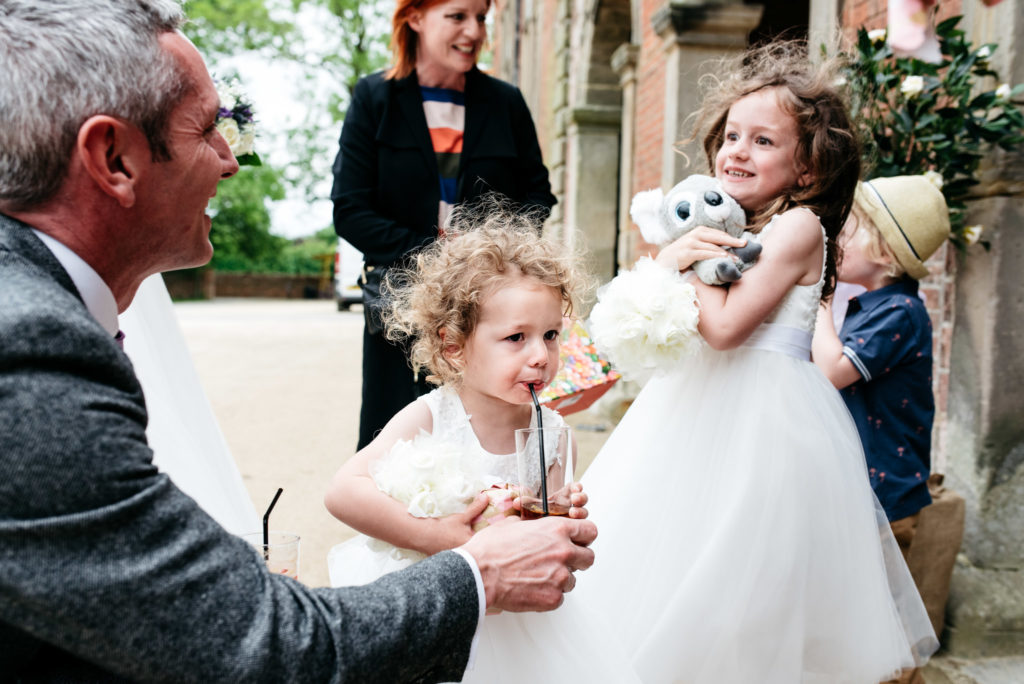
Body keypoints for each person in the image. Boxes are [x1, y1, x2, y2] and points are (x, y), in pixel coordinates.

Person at [0, 2, 597, 681]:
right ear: (113, 158)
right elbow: (255, 640)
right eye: (207, 129)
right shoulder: (31, 351)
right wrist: (478, 573)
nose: (231, 160)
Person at [577, 42, 938, 682]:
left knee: (738, 580)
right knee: (669, 551)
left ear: (807, 170)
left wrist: (681, 259)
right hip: (698, 411)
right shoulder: (742, 225)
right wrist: (679, 259)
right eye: (732, 136)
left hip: (763, 420)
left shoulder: (798, 228)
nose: (737, 152)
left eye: (763, 141)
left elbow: (722, 329)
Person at [324, 212, 638, 682]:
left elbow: (543, 535)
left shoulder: (554, 435)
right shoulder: (431, 417)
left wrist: (562, 520)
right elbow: (343, 492)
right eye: (516, 338)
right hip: (442, 605)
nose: (541, 356)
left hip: (517, 622)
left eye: (551, 335)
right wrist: (438, 536)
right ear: (454, 346)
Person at [330, 0, 557, 450]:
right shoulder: (374, 97)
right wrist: (440, 260)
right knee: (393, 453)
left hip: (491, 316)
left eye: (481, 18)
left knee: (484, 447)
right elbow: (350, 209)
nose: (473, 31)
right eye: (457, 16)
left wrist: (489, 260)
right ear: (415, 17)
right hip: (399, 311)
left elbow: (537, 199)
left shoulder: (506, 102)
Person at [812, 175, 951, 559]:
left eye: (849, 232)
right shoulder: (878, 306)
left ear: (886, 254)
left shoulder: (900, 312)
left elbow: (832, 372)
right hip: (863, 489)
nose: (838, 240)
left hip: (885, 497)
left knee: (877, 594)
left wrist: (819, 296)